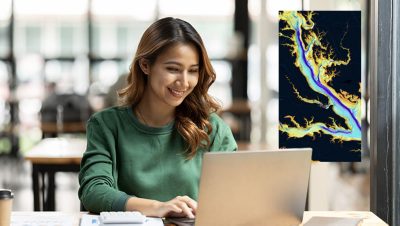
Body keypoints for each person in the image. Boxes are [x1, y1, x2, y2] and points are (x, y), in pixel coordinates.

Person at [78, 17, 237, 218]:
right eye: (173, 69)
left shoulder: (212, 129)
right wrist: (157, 207)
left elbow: (233, 198)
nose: (184, 82)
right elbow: (93, 191)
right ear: (145, 65)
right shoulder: (106, 125)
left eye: (193, 71)